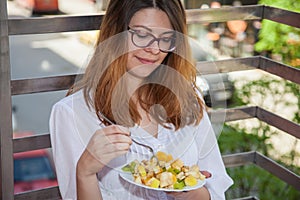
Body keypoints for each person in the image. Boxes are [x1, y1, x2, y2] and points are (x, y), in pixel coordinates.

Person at [49, 0, 233, 199]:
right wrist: (85, 172)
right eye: (142, 35)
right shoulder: (72, 113)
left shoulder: (188, 99)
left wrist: (196, 195)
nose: (154, 50)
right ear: (115, 33)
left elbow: (215, 182)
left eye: (166, 38)